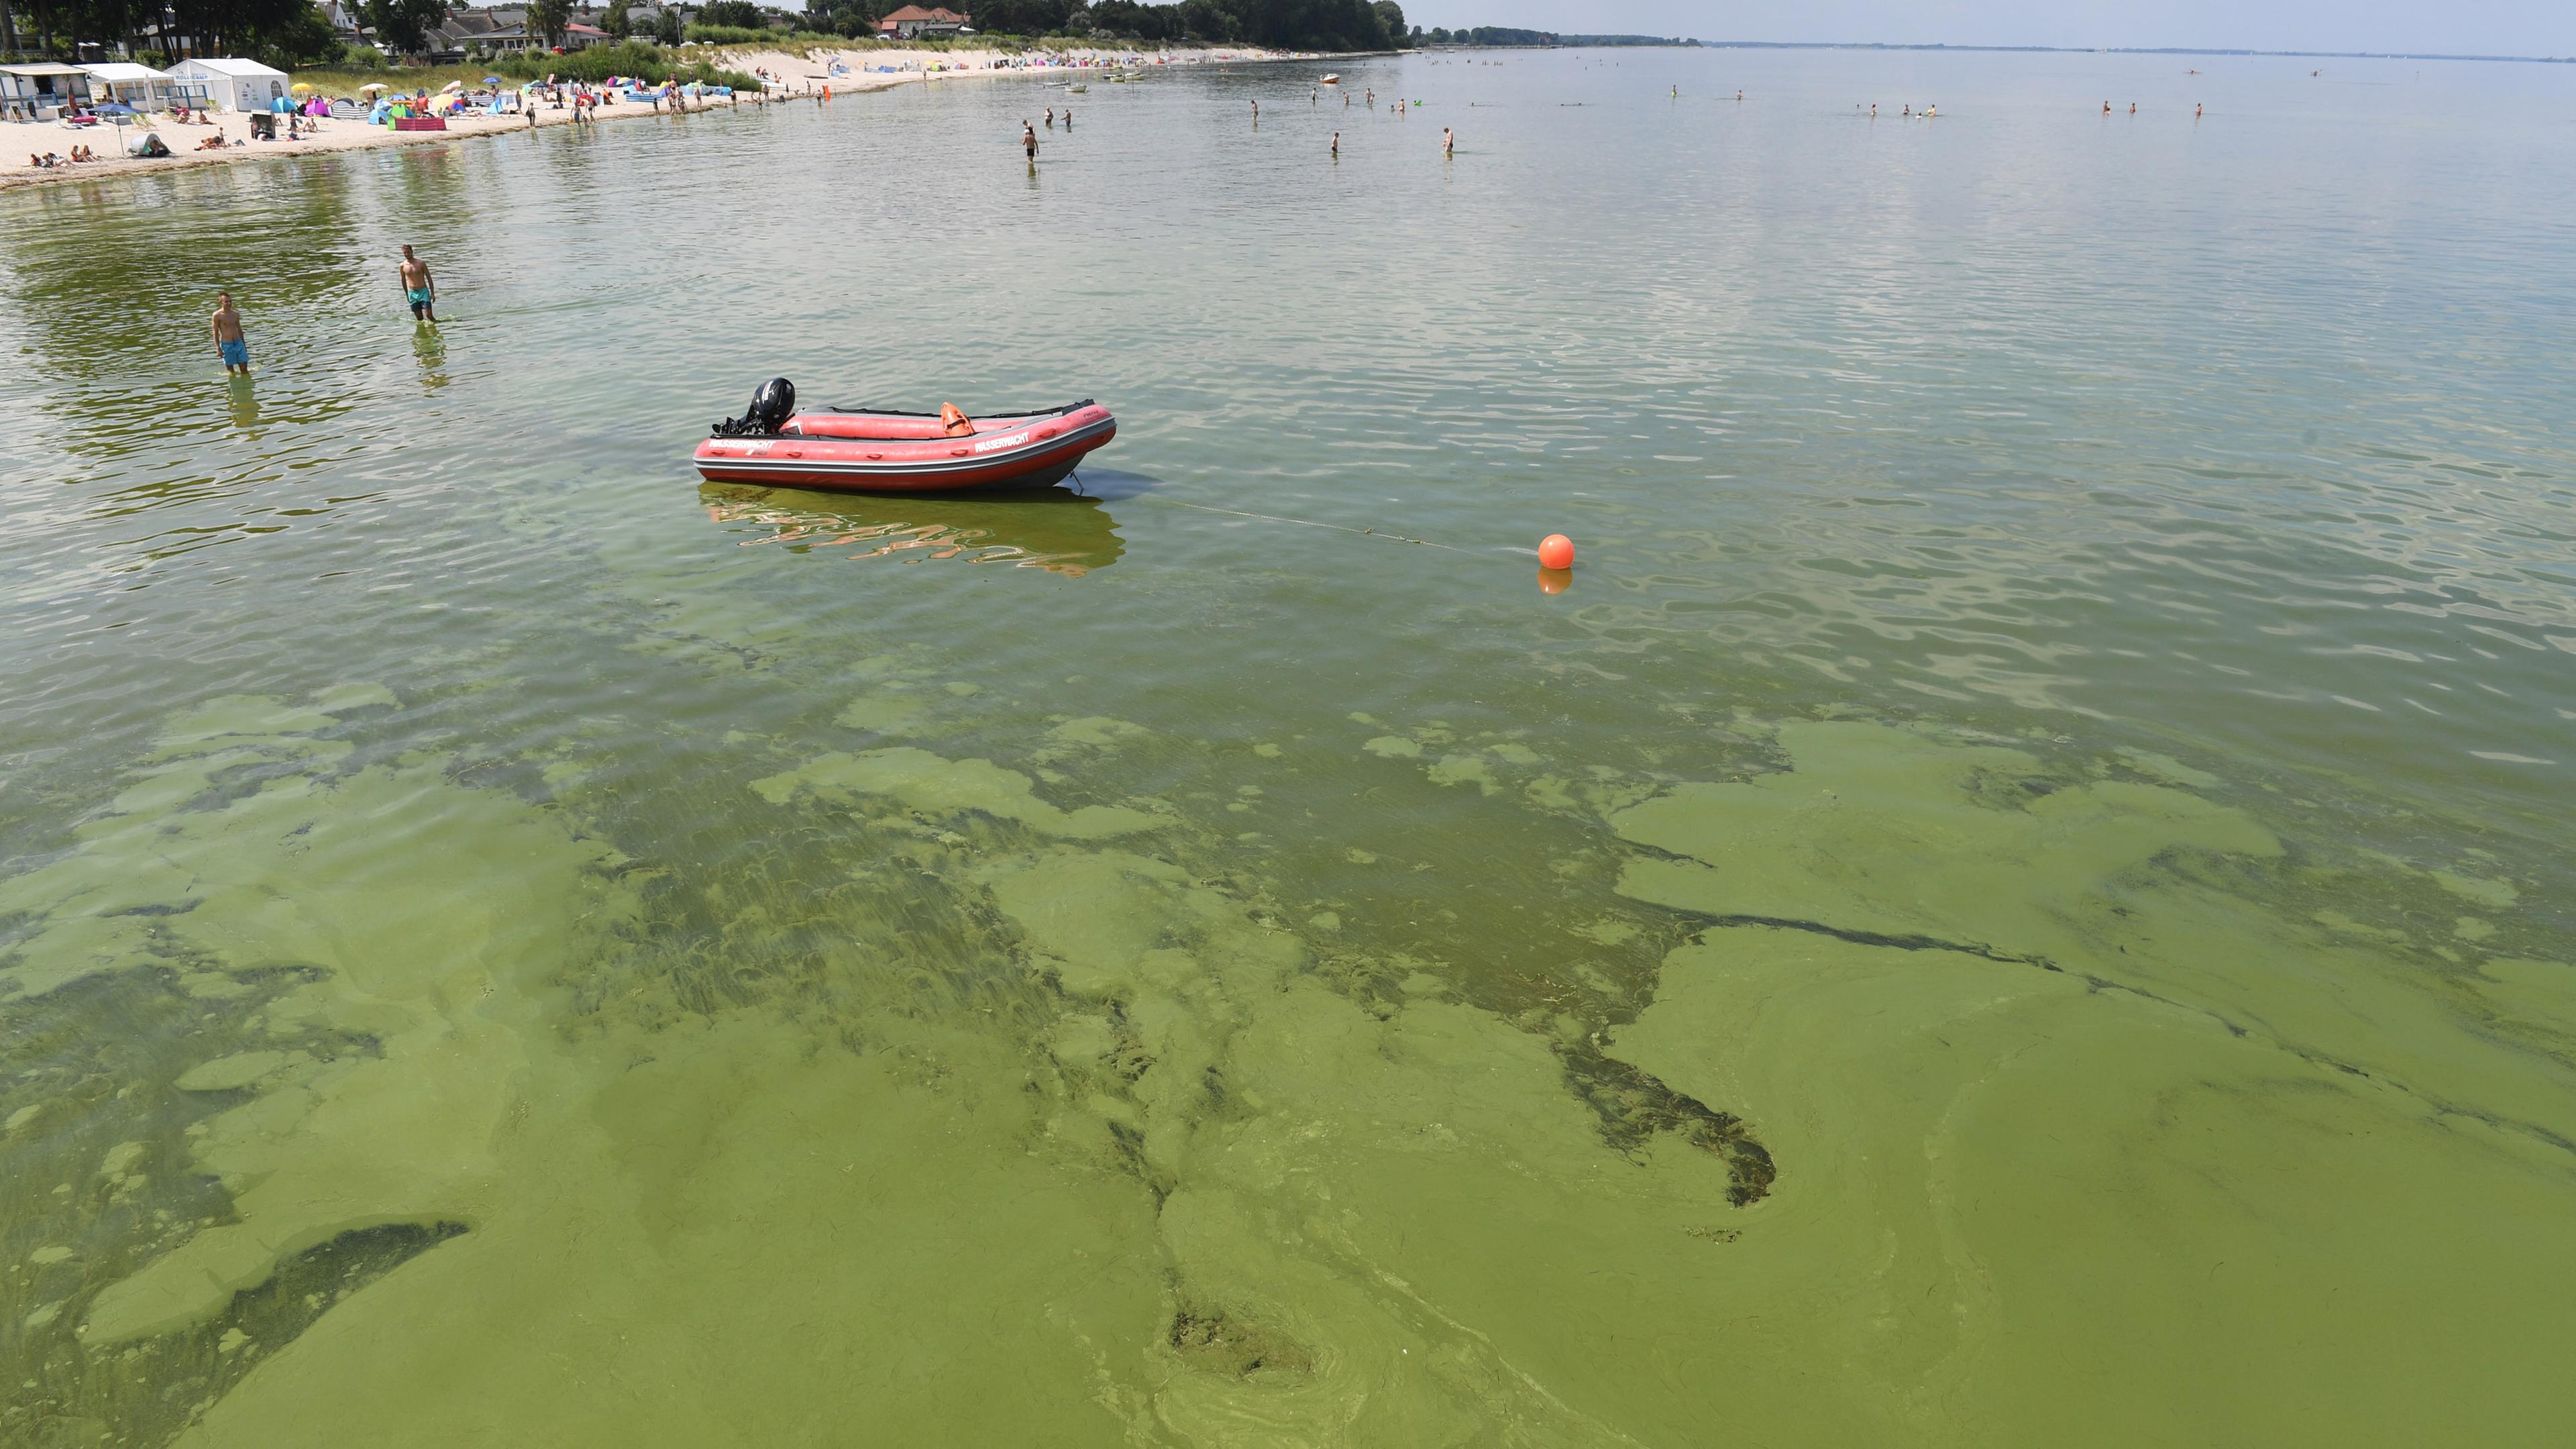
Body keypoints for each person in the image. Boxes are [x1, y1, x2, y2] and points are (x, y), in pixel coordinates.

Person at [212, 292, 250, 375]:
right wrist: (218, 348)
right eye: (226, 302)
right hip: (227, 345)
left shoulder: (236, 314)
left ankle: (246, 387)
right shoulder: (217, 315)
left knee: (244, 369)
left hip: (238, 343)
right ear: (221, 302)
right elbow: (215, 332)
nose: (229, 303)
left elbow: (239, 330)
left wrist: (244, 345)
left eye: (230, 301)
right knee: (230, 372)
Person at [399, 244, 436, 323]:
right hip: (412, 293)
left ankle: (438, 327)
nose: (407, 254)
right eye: (405, 253)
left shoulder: (421, 263)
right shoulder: (403, 266)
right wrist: (407, 295)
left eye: (408, 252)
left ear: (412, 252)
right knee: (419, 319)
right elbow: (403, 281)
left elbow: (429, 278)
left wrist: (432, 293)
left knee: (429, 316)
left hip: (423, 291)